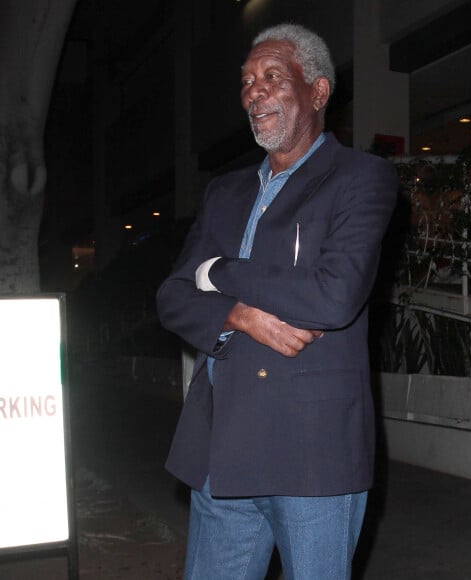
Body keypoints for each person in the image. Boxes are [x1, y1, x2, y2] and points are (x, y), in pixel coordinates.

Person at [157, 22, 398, 579]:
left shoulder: (361, 178)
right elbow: (172, 295)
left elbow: (333, 295)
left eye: (271, 77)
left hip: (312, 459)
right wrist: (234, 314)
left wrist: (220, 273)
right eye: (246, 82)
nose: (254, 92)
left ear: (316, 91)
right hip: (222, 454)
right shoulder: (225, 191)